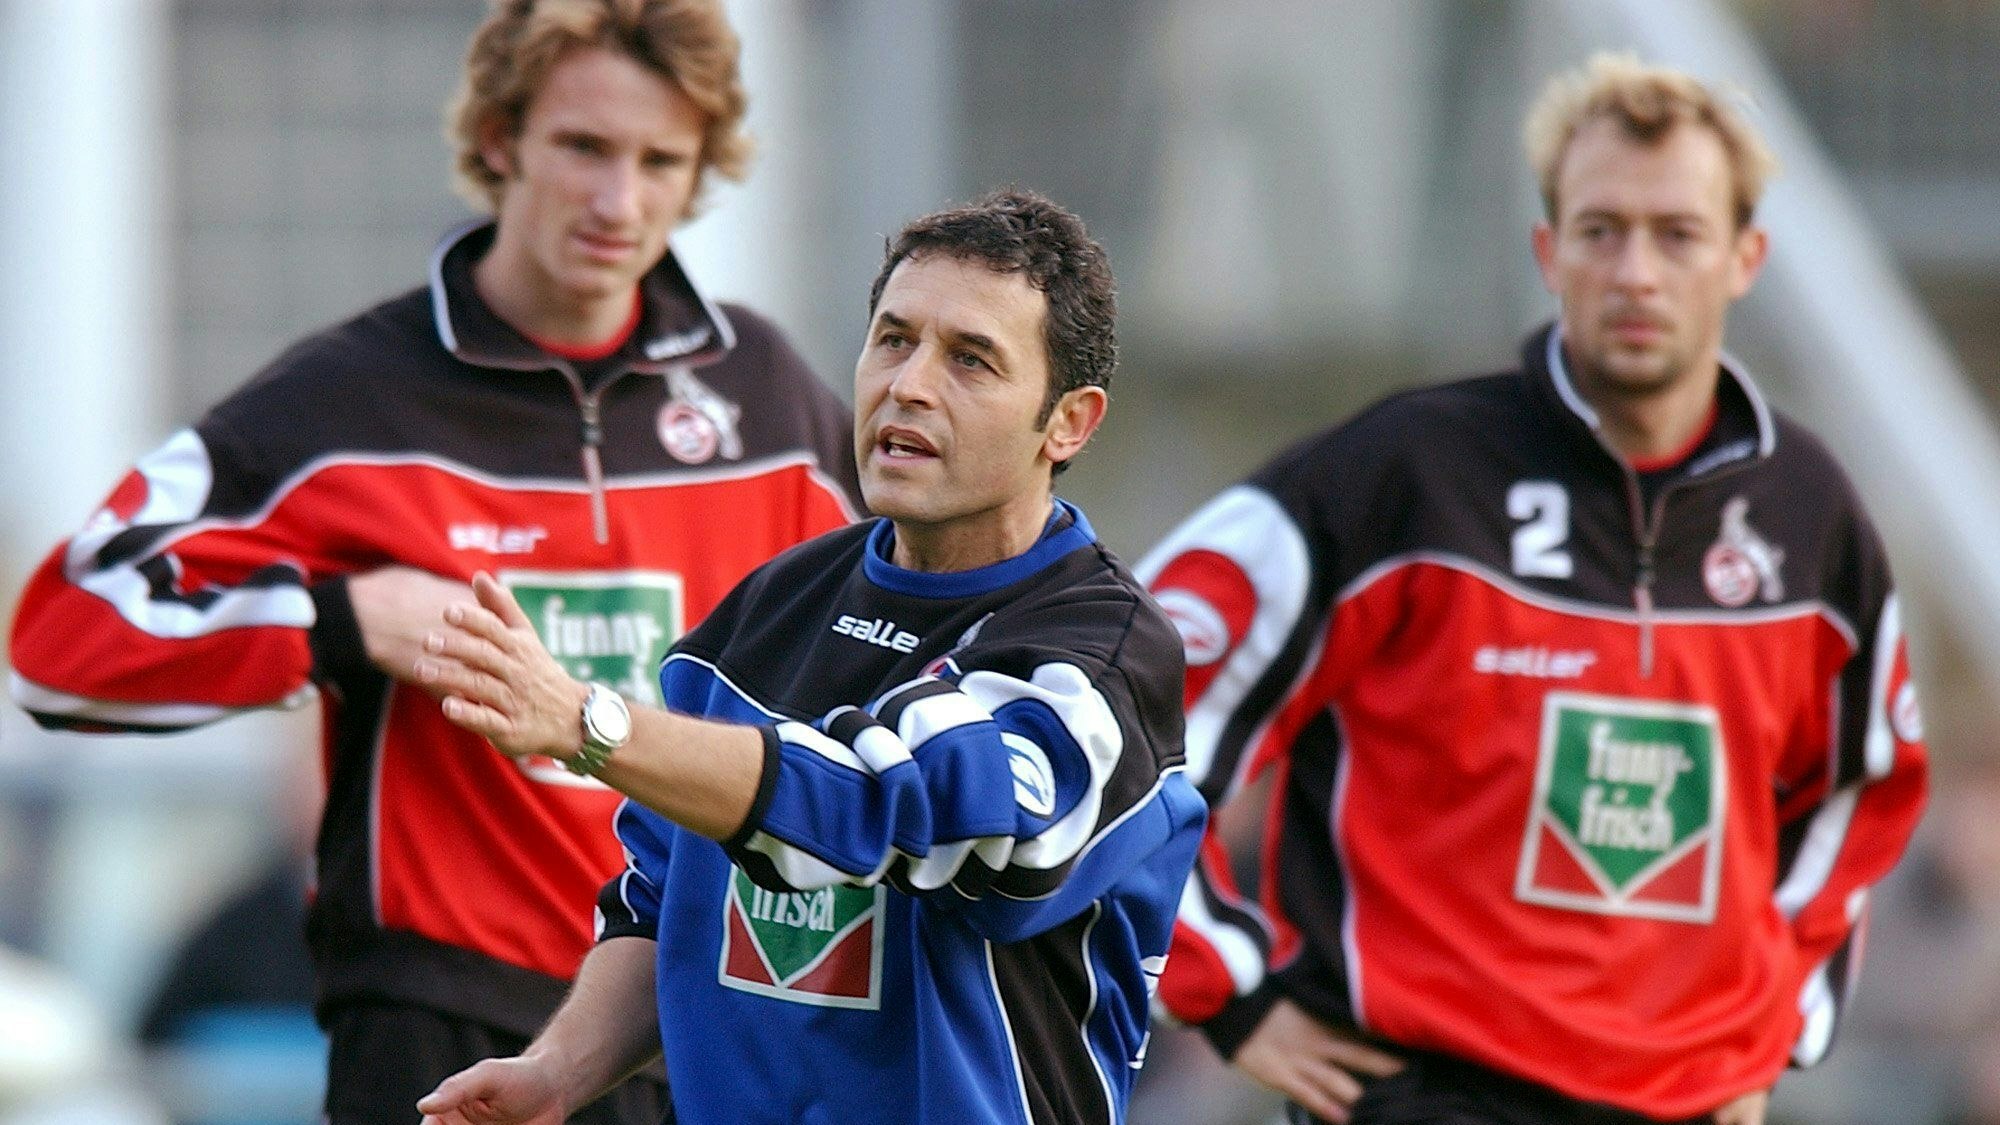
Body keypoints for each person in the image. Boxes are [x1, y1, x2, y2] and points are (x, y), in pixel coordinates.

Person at [8, 1, 858, 1121]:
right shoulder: (345, 402)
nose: (620, 201)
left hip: (699, 1018)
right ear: (501, 139)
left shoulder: (770, 403)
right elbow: (60, 641)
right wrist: (340, 619)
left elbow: (897, 663)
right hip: (438, 1024)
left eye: (661, 161)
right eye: (584, 147)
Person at [1136, 53, 1929, 1125]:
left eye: (1677, 234)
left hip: (1688, 1105)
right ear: (1548, 251)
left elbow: (1859, 794)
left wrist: (1776, 1028)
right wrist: (1226, 990)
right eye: (1601, 231)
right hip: (1417, 1095)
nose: (1635, 273)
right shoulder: (1401, 477)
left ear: (1745, 257)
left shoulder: (1807, 515)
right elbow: (1127, 698)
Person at [408, 189, 1207, 1125]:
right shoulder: (768, 608)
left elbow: (899, 810)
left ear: (1068, 421)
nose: (909, 385)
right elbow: (666, 897)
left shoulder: (1097, 659)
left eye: (970, 359)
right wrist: (558, 1070)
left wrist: (592, 725)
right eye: (894, 339)